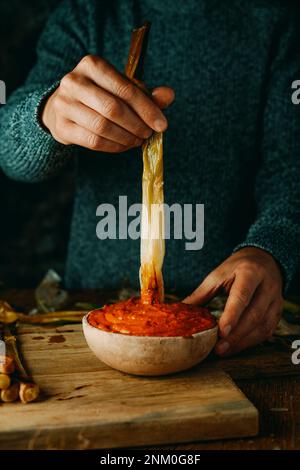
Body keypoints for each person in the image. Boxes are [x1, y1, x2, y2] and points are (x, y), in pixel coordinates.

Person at [0, 0, 300, 357]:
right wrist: (48, 115)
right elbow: (9, 150)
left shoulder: (278, 21)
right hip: (89, 311)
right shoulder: (87, 15)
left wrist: (270, 250)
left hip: (227, 317)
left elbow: (290, 169)